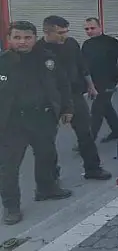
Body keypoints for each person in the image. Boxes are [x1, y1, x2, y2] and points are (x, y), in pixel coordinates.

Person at [0, 21, 74, 225]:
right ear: (9, 39)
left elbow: (63, 84)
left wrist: (67, 108)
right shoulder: (2, 62)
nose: (22, 41)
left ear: (34, 38)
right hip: (12, 124)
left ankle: (46, 189)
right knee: (9, 168)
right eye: (17, 37)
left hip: (43, 118)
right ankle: (11, 207)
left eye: (27, 37)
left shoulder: (47, 59)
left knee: (46, 156)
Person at [37, 16, 112, 182]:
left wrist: (91, 86)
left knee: (85, 133)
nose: (64, 36)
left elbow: (81, 65)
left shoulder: (71, 43)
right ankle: (51, 177)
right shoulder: (38, 50)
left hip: (74, 95)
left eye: (66, 31)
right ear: (47, 32)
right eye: (59, 33)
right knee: (46, 140)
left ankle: (93, 169)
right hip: (50, 99)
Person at [82, 17, 118, 143]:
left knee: (97, 109)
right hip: (95, 80)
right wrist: (88, 84)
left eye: (92, 28)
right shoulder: (87, 45)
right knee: (106, 106)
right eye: (87, 29)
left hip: (110, 79)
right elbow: (84, 65)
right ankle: (117, 130)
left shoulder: (111, 42)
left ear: (100, 27)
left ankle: (88, 141)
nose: (89, 31)